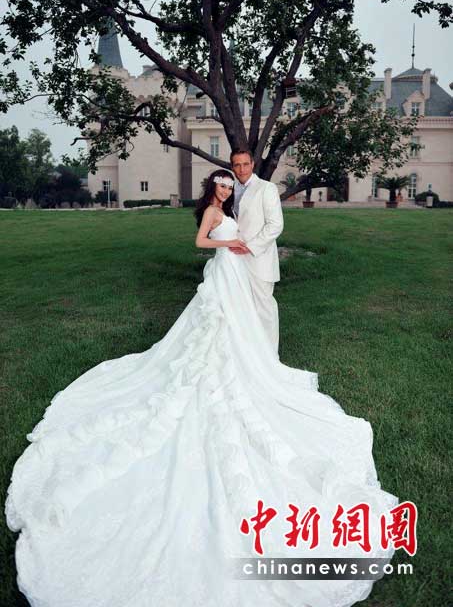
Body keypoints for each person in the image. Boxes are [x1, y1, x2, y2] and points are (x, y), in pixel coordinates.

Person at [5, 168, 398, 607]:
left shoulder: (226, 208)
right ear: (212, 188)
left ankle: (243, 367)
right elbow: (200, 243)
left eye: (230, 184)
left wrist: (238, 243)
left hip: (232, 276)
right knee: (211, 335)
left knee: (236, 332)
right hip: (222, 275)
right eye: (221, 183)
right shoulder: (212, 211)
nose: (226, 189)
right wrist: (228, 243)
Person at [229, 150, 283, 357]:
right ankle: (249, 355)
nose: (241, 169)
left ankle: (270, 357)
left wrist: (250, 247)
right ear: (232, 167)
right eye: (237, 165)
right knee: (241, 308)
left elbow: (275, 225)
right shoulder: (229, 189)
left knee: (264, 308)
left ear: (252, 164)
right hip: (234, 259)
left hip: (259, 258)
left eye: (245, 164)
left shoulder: (266, 188)